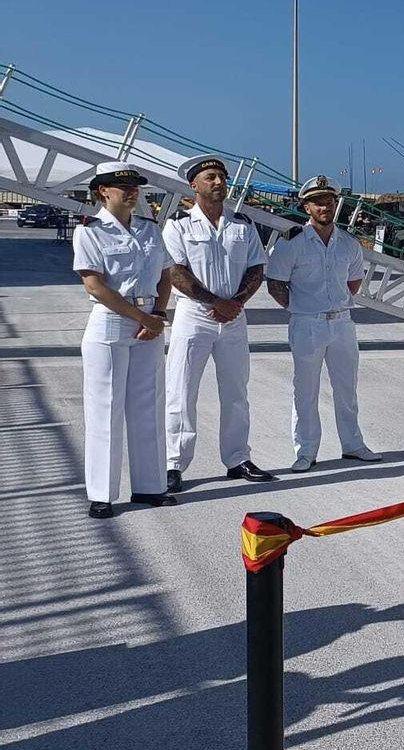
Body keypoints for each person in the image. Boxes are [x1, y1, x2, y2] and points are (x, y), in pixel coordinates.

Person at [162, 154, 273, 493]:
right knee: (181, 391)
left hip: (234, 317)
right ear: (193, 185)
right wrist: (215, 302)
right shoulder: (177, 224)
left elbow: (257, 268)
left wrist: (235, 302)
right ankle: (173, 464)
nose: (218, 182)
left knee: (236, 391)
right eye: (210, 177)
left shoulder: (243, 224)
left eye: (221, 177)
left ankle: (237, 458)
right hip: (194, 317)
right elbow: (174, 271)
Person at [73, 162, 175, 519]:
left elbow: (166, 276)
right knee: (106, 411)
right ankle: (102, 494)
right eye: (124, 187)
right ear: (103, 191)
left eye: (136, 187)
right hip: (112, 325)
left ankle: (151, 486)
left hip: (150, 323)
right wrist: (144, 319)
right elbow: (95, 285)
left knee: (148, 408)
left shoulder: (150, 230)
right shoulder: (90, 231)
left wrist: (159, 316)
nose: (132, 192)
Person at [265, 176, 384, 472]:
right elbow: (276, 283)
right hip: (308, 324)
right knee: (305, 390)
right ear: (307, 206)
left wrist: (334, 305)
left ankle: (353, 444)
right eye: (318, 202)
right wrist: (299, 308)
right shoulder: (292, 243)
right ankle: (305, 450)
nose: (325, 207)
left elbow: (353, 282)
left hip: (342, 323)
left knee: (347, 389)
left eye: (329, 202)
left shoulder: (348, 243)